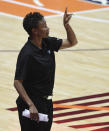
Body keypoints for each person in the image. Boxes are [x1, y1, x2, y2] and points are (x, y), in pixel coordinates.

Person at [14, 8, 78, 131]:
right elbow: (17, 82)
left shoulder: (47, 42)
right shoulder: (27, 54)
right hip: (32, 105)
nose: (48, 28)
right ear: (35, 31)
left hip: (46, 102)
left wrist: (67, 25)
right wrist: (31, 105)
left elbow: (72, 42)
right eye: (44, 26)